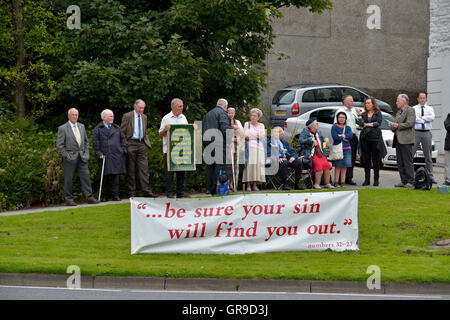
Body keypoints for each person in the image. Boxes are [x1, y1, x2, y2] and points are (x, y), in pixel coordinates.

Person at [56, 108, 99, 206]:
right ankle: (69, 199)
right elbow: (60, 145)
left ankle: (89, 197)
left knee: (86, 178)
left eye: (76, 115)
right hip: (69, 158)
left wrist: (86, 153)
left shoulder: (81, 126)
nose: (75, 116)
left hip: (82, 157)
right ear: (68, 116)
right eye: (73, 115)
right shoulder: (62, 128)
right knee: (68, 179)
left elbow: (86, 141)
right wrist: (67, 156)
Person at [120, 99, 158, 198]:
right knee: (131, 169)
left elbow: (145, 131)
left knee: (144, 169)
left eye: (143, 108)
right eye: (140, 108)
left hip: (141, 144)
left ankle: (147, 191)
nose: (141, 110)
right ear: (135, 107)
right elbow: (122, 132)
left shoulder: (144, 117)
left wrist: (146, 142)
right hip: (130, 143)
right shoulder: (127, 116)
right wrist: (125, 145)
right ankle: (131, 192)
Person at [92, 109, 127, 201]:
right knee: (105, 177)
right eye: (110, 116)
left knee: (116, 177)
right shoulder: (97, 129)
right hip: (104, 156)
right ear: (104, 117)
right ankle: (104, 196)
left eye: (112, 116)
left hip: (116, 155)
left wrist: (123, 150)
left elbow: (123, 139)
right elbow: (95, 143)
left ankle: (115, 195)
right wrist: (99, 153)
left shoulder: (117, 128)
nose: (113, 118)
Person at [159, 98, 189, 198]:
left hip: (182, 150)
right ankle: (170, 193)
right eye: (179, 106)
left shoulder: (183, 117)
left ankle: (181, 192)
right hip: (169, 150)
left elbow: (187, 131)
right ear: (173, 107)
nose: (182, 108)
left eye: (182, 106)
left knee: (181, 172)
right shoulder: (166, 118)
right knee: (169, 173)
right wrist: (165, 130)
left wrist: (192, 127)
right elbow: (160, 134)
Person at [202, 98, 232, 195]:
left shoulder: (207, 114)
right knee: (218, 166)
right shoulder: (223, 113)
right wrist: (229, 139)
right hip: (218, 142)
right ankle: (215, 188)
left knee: (210, 166)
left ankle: (208, 188)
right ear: (225, 106)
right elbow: (224, 128)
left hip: (207, 142)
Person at [299, 118, 334, 189]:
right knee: (319, 166)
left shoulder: (318, 132)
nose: (318, 125)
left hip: (320, 153)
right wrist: (311, 139)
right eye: (316, 124)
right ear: (312, 126)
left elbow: (322, 139)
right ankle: (316, 184)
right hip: (311, 154)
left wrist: (325, 140)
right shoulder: (305, 131)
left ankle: (327, 183)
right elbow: (301, 141)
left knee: (327, 166)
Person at [356, 97, 383, 186]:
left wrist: (367, 124)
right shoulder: (363, 114)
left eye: (369, 103)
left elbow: (378, 123)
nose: (367, 105)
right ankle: (367, 180)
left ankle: (376, 179)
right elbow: (361, 124)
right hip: (365, 138)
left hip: (375, 138)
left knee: (375, 160)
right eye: (366, 103)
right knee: (366, 159)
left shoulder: (378, 113)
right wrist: (359, 115)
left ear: (373, 104)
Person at [391, 94, 416, 188]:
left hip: (406, 140)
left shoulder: (410, 110)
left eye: (397, 100)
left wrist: (398, 125)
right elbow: (396, 124)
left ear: (403, 101)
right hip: (398, 140)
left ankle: (411, 181)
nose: (396, 102)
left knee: (407, 161)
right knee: (400, 162)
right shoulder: (398, 112)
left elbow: (410, 123)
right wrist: (393, 126)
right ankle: (404, 181)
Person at [413, 92, 437, 184]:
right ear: (418, 99)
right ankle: (411, 177)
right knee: (411, 154)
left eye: (424, 98)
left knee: (428, 156)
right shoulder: (414, 108)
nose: (422, 99)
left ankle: (430, 177)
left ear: (426, 99)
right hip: (416, 133)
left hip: (427, 133)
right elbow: (414, 119)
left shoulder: (430, 108)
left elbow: (432, 118)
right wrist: (425, 120)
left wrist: (421, 118)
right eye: (421, 98)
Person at [242, 108, 266, 191]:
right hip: (250, 147)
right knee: (249, 165)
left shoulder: (261, 125)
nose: (252, 117)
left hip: (259, 148)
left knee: (257, 166)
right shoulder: (247, 124)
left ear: (258, 118)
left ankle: (255, 185)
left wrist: (252, 134)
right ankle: (248, 185)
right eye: (252, 115)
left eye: (255, 116)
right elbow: (245, 135)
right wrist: (256, 135)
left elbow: (262, 135)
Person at [339, 95, 358, 185]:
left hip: (353, 136)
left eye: (352, 101)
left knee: (352, 158)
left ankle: (349, 178)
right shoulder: (341, 112)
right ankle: (341, 178)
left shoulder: (353, 111)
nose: (352, 103)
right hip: (346, 137)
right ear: (345, 102)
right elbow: (337, 124)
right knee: (344, 158)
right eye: (351, 101)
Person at [331, 112, 353, 188]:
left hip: (347, 149)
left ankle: (342, 182)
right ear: (337, 118)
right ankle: (336, 182)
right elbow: (335, 137)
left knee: (345, 166)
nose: (342, 119)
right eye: (340, 117)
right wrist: (343, 137)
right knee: (338, 166)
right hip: (337, 149)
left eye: (343, 117)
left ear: (345, 119)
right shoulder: (334, 127)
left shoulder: (348, 127)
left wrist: (342, 136)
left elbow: (350, 136)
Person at [225, 107, 244, 192]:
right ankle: (226, 184)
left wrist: (237, 128)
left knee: (235, 165)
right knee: (228, 166)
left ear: (234, 113)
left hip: (236, 147)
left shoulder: (238, 122)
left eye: (232, 113)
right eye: (229, 112)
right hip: (227, 145)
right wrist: (231, 139)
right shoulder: (224, 121)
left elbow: (243, 133)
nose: (230, 114)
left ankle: (232, 183)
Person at [444, 113, 450, 186]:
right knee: (448, 164)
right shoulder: (449, 116)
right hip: (449, 144)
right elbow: (447, 126)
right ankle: (448, 180)